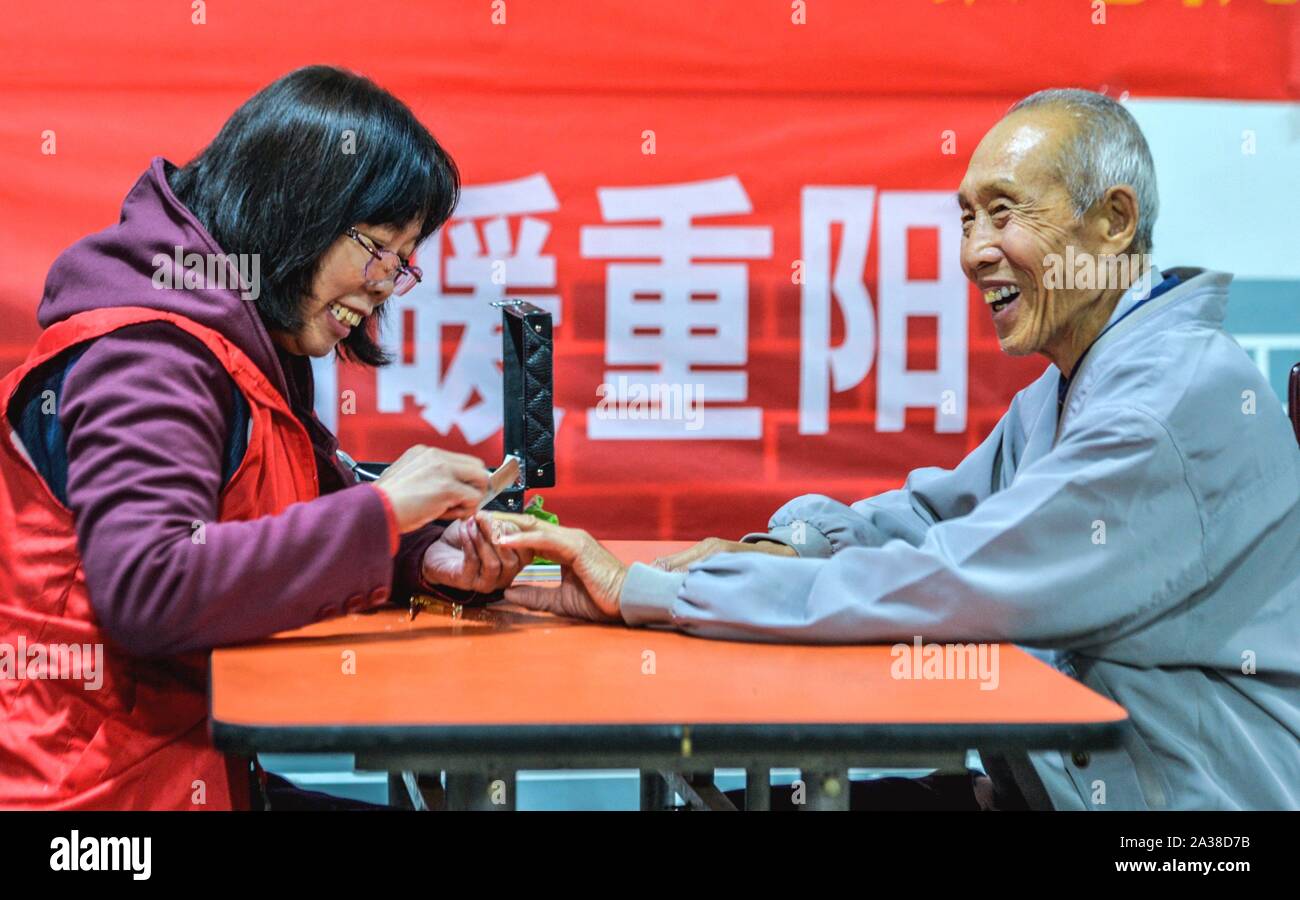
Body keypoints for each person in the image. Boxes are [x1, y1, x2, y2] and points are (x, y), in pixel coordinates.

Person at [490, 89, 1300, 811]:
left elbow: (951, 581)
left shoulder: (1158, 410)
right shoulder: (1074, 387)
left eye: (1005, 213)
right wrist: (780, 546)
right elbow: (928, 516)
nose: (974, 250)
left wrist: (654, 592)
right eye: (966, 216)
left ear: (1113, 221)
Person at [0, 66, 530, 810]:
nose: (386, 282)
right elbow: (151, 587)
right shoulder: (150, 358)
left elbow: (297, 508)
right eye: (375, 244)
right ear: (295, 212)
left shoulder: (245, 338)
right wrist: (384, 513)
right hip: (89, 804)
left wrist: (425, 555)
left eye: (402, 258)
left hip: (192, 762)